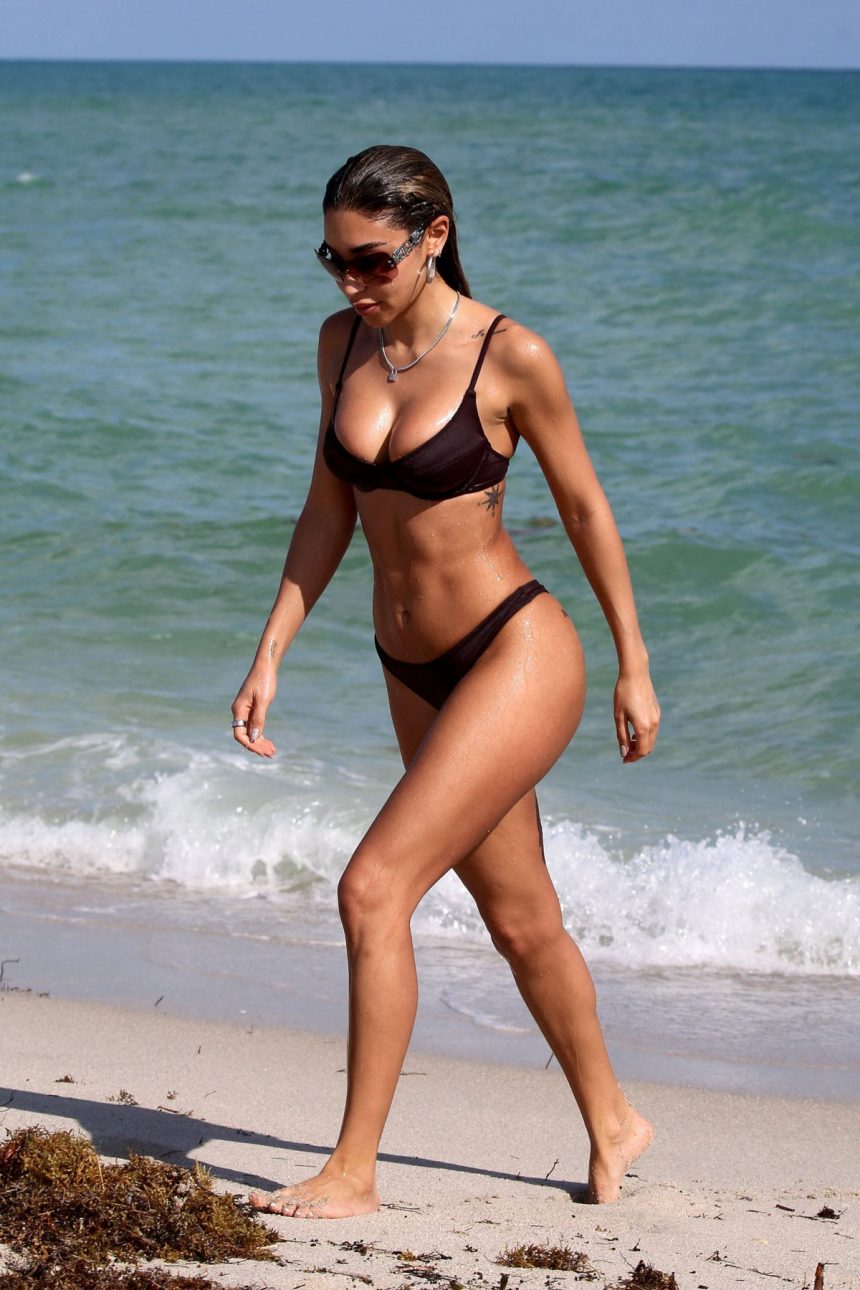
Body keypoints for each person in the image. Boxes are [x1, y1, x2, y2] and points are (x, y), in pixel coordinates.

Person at [231, 145, 660, 1218]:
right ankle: (613, 1119)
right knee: (519, 919)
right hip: (410, 668)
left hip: (516, 653)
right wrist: (272, 649)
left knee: (371, 888)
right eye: (333, 260)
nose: (351, 283)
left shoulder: (511, 356)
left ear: (433, 237)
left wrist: (633, 663)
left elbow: (584, 508)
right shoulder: (341, 345)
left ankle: (352, 1171)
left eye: (372, 261)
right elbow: (328, 508)